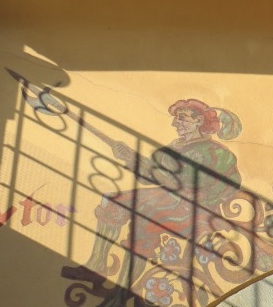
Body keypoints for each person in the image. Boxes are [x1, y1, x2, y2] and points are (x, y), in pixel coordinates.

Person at [85, 99, 243, 292]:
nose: (175, 123)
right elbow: (151, 177)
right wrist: (130, 159)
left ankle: (122, 288)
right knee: (111, 200)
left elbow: (181, 182)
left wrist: (150, 168)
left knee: (144, 217)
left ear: (199, 120)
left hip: (194, 207)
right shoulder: (174, 147)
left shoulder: (214, 152)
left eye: (182, 118)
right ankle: (97, 263)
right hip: (170, 196)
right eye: (176, 118)